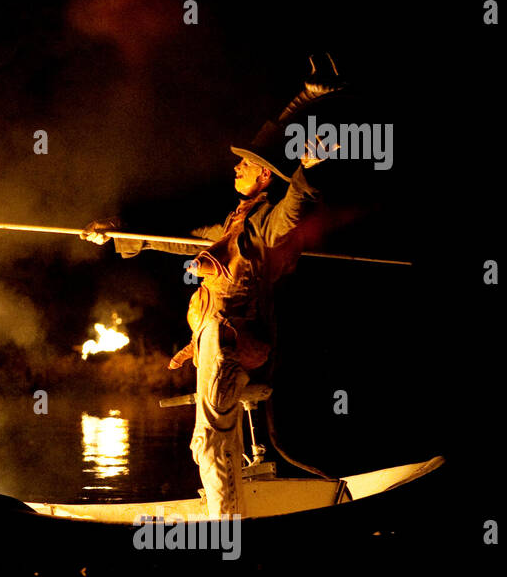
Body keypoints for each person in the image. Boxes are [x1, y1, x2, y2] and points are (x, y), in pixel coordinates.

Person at [82, 58, 346, 518]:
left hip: (231, 342)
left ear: (264, 175)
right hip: (214, 340)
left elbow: (294, 211)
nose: (237, 168)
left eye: (245, 164)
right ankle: (232, 516)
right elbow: (178, 239)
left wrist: (309, 172)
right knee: (205, 439)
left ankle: (228, 537)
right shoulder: (233, 225)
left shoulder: (265, 227)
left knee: (208, 441)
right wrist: (118, 233)